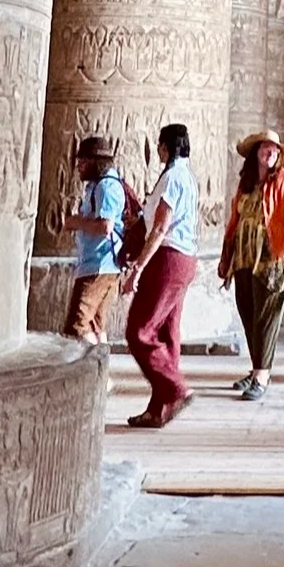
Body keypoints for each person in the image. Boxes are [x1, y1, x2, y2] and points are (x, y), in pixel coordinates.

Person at [121, 122, 201, 428]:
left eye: (159, 145)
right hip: (185, 258)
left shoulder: (172, 178)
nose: (157, 150)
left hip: (168, 258)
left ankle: (175, 388)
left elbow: (160, 228)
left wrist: (137, 268)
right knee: (168, 334)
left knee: (139, 331)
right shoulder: (187, 176)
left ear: (166, 147)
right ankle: (159, 409)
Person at [219, 129, 284, 400]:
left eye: (274, 150)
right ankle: (257, 366)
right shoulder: (246, 183)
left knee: (266, 317)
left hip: (272, 258)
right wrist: (226, 257)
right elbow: (235, 219)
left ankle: (262, 376)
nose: (270, 154)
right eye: (265, 149)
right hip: (245, 258)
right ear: (256, 153)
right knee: (247, 312)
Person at [59, 135, 127, 342]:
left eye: (83, 162)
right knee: (95, 324)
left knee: (77, 324)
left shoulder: (106, 187)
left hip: (99, 264)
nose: (79, 166)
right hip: (102, 264)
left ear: (95, 163)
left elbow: (105, 226)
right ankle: (101, 371)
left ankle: (85, 371)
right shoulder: (101, 185)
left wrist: (75, 223)